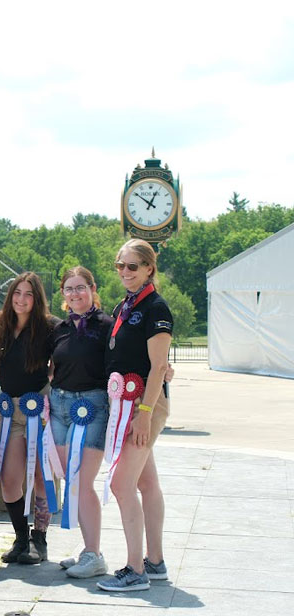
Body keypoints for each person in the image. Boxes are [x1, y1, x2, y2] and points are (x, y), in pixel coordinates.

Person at [97, 239, 173, 592]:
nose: (125, 272)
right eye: (120, 266)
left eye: (132, 266)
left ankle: (134, 570)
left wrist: (144, 413)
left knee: (120, 484)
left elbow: (158, 366)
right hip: (126, 404)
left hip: (143, 404)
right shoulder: (125, 306)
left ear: (148, 269)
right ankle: (154, 562)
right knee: (146, 483)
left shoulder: (156, 307)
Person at [0, 272, 60, 565]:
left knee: (41, 477)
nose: (21, 299)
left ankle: (39, 539)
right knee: (10, 479)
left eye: (28, 294)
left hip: (38, 408)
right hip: (8, 410)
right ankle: (20, 537)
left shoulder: (50, 327)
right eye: (17, 292)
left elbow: (68, 356)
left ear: (37, 298)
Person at [49, 267, 113, 578]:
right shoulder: (59, 328)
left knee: (84, 482)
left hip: (92, 406)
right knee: (70, 479)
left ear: (92, 288)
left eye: (81, 287)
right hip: (60, 406)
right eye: (69, 289)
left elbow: (129, 357)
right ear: (63, 295)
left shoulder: (107, 326)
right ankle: (87, 549)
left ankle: (95, 555)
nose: (75, 294)